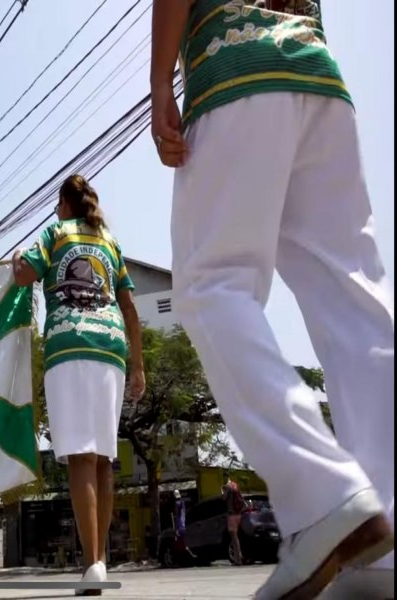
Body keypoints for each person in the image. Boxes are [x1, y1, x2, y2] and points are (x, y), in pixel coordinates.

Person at [149, 1, 394, 598]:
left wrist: (160, 83)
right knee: (356, 302)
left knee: (211, 283)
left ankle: (322, 497)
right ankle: (383, 539)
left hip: (236, 66)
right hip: (320, 76)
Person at [13, 174, 146, 596]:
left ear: (64, 203)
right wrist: (138, 365)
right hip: (111, 352)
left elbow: (23, 277)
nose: (56, 211)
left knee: (80, 458)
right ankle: (99, 559)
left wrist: (18, 258)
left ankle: (91, 565)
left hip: (70, 347)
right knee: (104, 457)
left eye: (57, 204)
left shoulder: (55, 233)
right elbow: (129, 307)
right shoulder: (110, 241)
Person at [221, 475, 246, 566]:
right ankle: (239, 556)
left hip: (232, 514)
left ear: (225, 477)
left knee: (234, 538)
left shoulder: (227, 487)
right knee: (236, 537)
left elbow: (224, 498)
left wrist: (222, 492)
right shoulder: (235, 485)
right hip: (239, 514)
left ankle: (238, 559)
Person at [171, 490, 195, 560]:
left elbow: (176, 513)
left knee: (179, 544)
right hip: (183, 525)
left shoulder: (177, 503)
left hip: (179, 526)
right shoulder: (183, 503)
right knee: (183, 543)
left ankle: (183, 557)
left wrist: (175, 528)